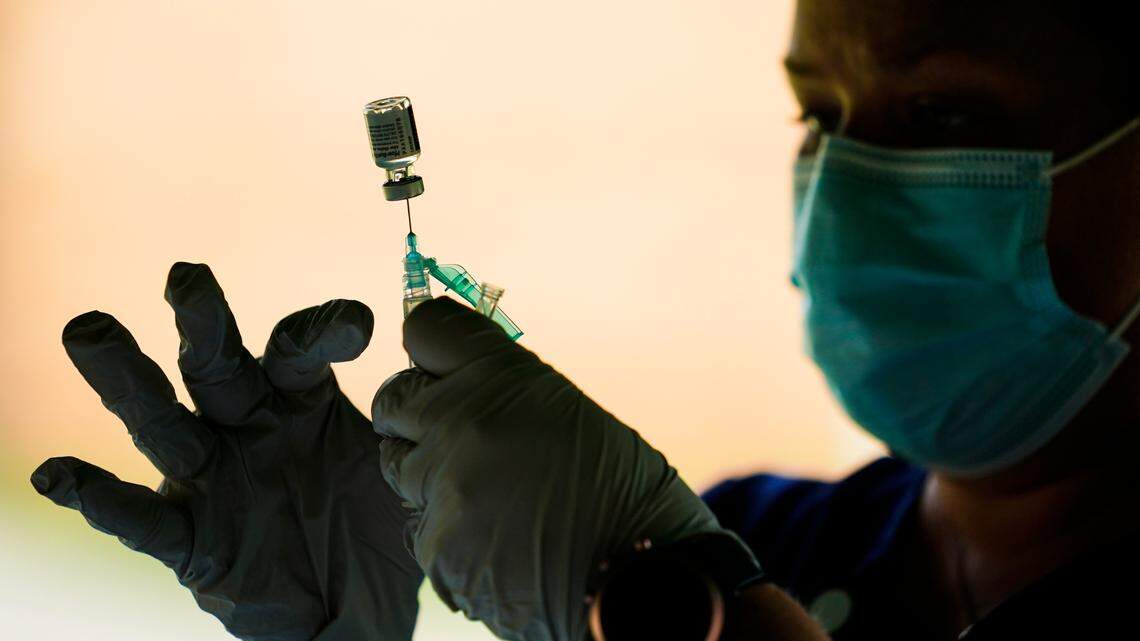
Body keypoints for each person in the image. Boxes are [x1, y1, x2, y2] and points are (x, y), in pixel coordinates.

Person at [32, 1, 1139, 639]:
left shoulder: (686, 571)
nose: (844, 181)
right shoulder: (765, 538)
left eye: (946, 113)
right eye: (819, 113)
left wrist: (677, 611)